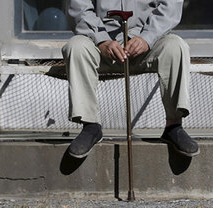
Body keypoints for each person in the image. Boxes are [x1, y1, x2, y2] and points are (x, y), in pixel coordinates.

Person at [62, 0, 199, 158]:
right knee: (76, 46)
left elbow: (170, 6)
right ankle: (90, 126)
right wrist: (102, 40)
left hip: (148, 42)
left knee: (176, 46)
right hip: (101, 44)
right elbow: (79, 7)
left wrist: (146, 38)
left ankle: (174, 126)